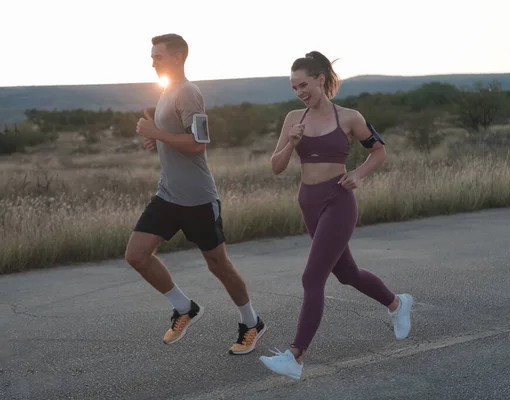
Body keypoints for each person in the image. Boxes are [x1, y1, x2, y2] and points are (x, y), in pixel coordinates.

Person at [258, 51, 413, 380]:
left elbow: (379, 150)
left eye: (304, 84)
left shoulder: (349, 118)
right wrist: (290, 144)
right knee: (348, 273)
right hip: (308, 202)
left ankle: (295, 356)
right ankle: (397, 303)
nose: (300, 92)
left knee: (312, 277)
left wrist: (358, 174)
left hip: (338, 201)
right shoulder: (292, 120)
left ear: (321, 80)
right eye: (294, 87)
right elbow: (275, 166)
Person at [127, 33, 267, 355]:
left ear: (177, 57)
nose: (152, 61)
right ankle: (184, 307)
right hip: (168, 195)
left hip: (198, 199)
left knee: (219, 265)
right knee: (136, 255)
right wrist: (156, 141)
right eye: (152, 56)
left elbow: (198, 144)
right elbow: (176, 139)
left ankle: (251, 322)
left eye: (158, 56)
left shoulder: (189, 92)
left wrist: (156, 133)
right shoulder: (166, 91)